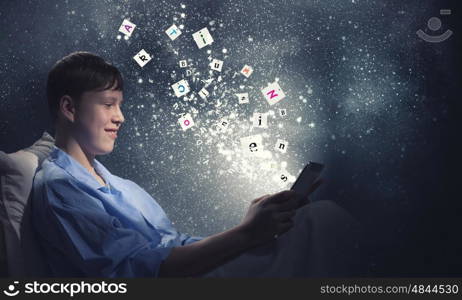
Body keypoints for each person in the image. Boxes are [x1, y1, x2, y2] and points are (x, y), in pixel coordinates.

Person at [31, 51, 361, 277]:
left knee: (312, 218)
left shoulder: (121, 187)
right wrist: (246, 234)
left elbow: (177, 245)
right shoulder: (60, 188)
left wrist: (254, 225)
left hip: (197, 272)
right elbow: (143, 273)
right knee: (323, 222)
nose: (121, 117)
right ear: (69, 108)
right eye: (108, 104)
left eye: (120, 105)